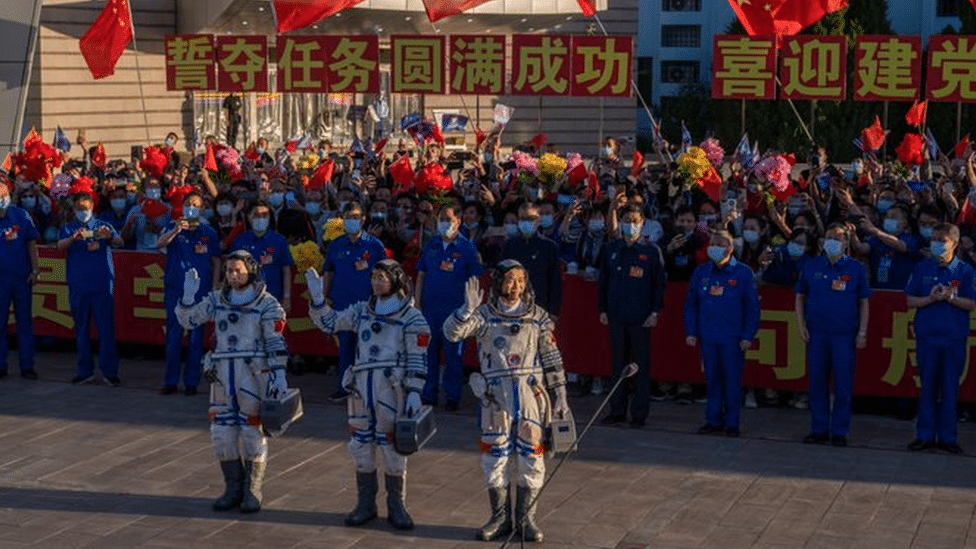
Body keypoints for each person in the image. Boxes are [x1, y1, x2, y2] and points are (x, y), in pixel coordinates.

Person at [443, 262, 569, 542]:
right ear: (498, 282)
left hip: (530, 395)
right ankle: (499, 517)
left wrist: (560, 394)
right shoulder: (484, 316)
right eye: (510, 280)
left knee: (532, 456)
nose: (516, 286)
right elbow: (451, 333)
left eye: (521, 281)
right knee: (494, 457)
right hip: (495, 397)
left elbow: (551, 357)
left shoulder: (538, 317)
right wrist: (466, 311)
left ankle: (526, 519)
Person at [306, 260, 429, 530]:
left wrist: (414, 391)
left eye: (382, 277)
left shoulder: (411, 317)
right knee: (361, 446)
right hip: (362, 388)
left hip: (392, 388)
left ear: (396, 280)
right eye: (373, 277)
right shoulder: (361, 311)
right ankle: (365, 504)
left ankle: (396, 505)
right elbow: (330, 323)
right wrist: (318, 300)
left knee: (393, 448)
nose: (376, 282)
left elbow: (418, 357)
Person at [176, 251, 290, 513]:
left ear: (250, 270)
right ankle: (232, 487)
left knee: (251, 432)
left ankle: (252, 489)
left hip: (253, 372)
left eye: (238, 270)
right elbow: (188, 319)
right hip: (222, 372)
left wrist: (279, 374)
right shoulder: (217, 299)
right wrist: (187, 296)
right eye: (228, 271)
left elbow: (275, 340)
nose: (233, 275)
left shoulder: (266, 303)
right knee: (221, 434)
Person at [795, 223, 870, 447]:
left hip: (844, 335)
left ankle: (839, 430)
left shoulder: (855, 269)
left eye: (837, 238)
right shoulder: (812, 265)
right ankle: (818, 429)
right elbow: (800, 296)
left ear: (846, 242)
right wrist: (801, 325)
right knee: (817, 383)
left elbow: (864, 302)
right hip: (817, 334)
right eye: (828, 237)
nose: (832, 241)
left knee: (843, 385)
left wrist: (862, 332)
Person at [904, 223, 976, 454]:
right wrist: (931, 299)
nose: (936, 244)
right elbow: (910, 300)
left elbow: (972, 303)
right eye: (934, 239)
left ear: (954, 243)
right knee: (927, 388)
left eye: (941, 240)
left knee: (949, 388)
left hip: (953, 339)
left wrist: (951, 297)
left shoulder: (965, 271)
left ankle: (947, 437)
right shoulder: (922, 267)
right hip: (927, 337)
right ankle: (925, 435)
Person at [684, 229, 761, 437]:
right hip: (708, 336)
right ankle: (713, 420)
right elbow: (691, 304)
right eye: (712, 244)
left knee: (732, 380)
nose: (714, 248)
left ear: (730, 248)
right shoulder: (702, 272)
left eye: (719, 244)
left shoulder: (743, 273)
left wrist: (747, 335)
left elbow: (753, 308)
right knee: (712, 379)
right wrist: (691, 331)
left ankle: (732, 422)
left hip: (733, 338)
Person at [598, 204, 666, 428]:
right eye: (626, 220)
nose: (630, 225)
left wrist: (655, 312)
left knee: (641, 367)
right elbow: (603, 282)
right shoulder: (612, 249)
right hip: (616, 316)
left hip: (641, 318)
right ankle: (617, 410)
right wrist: (603, 310)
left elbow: (659, 284)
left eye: (635, 221)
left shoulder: (650, 251)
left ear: (642, 222)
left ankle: (639, 414)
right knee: (618, 366)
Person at [415, 204, 484, 410]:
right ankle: (429, 393)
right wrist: (417, 303)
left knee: (454, 356)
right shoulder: (432, 245)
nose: (445, 223)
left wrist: (470, 310)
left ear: (458, 221)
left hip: (455, 312)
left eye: (449, 219)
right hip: (430, 310)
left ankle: (452, 396)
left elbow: (475, 280)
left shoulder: (467, 248)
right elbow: (421, 274)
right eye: (441, 219)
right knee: (429, 354)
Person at [156, 192, 221, 395]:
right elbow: (160, 244)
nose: (191, 207)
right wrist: (176, 230)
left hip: (200, 292)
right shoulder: (173, 227)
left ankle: (191, 382)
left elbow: (216, 260)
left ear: (202, 209)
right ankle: (171, 380)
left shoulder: (208, 232)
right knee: (174, 336)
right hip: (176, 289)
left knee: (195, 338)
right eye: (188, 204)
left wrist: (216, 283)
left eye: (196, 204)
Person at [57, 193, 124, 386]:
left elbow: (120, 242)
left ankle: (109, 372)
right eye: (79, 208)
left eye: (85, 208)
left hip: (102, 285)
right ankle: (84, 370)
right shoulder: (70, 228)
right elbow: (60, 246)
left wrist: (109, 236)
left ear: (92, 207)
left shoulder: (103, 226)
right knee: (81, 330)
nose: (82, 212)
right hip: (79, 285)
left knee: (105, 330)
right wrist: (73, 239)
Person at [321, 201, 386, 400]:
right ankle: (345, 388)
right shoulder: (337, 245)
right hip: (342, 305)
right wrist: (324, 297)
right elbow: (328, 272)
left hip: (368, 306)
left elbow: (385, 274)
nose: (352, 221)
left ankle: (369, 389)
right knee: (346, 349)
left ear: (363, 219)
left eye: (356, 217)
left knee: (369, 348)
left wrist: (382, 300)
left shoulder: (374, 245)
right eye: (348, 217)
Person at [0, 183, 40, 379]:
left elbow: (31, 244)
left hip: (21, 278)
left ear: (8, 195)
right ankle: (1, 365)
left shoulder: (21, 216)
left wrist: (35, 269)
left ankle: (27, 366)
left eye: (3, 195)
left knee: (24, 323)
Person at [501, 202, 562, 319]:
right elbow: (501, 276)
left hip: (539, 308)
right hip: (512, 308)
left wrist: (554, 311)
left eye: (530, 218)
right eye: (523, 218)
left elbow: (555, 281)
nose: (526, 222)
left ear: (538, 220)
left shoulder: (549, 247)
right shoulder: (510, 245)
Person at [231, 202, 294, 311]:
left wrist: (287, 297)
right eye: (256, 215)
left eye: (264, 215)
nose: (260, 218)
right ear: (248, 216)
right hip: (245, 299)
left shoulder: (279, 240)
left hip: (272, 297)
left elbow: (286, 270)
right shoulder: (240, 241)